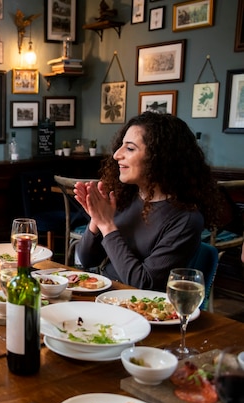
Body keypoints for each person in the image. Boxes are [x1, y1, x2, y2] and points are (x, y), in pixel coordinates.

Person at [75, 112, 221, 291]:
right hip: (103, 295)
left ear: (159, 158)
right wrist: (96, 220)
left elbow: (144, 284)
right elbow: (87, 259)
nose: (116, 155)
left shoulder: (186, 219)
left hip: (140, 311)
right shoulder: (124, 196)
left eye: (129, 148)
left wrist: (107, 226)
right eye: (121, 146)